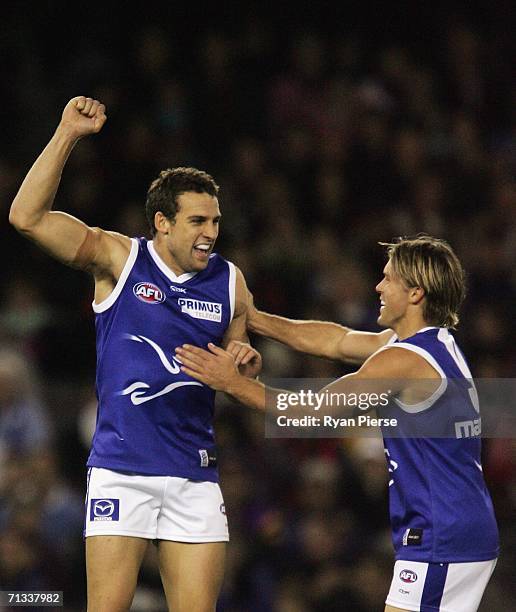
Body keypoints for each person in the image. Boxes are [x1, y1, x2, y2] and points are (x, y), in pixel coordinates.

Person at [9, 96, 261, 612]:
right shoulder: (118, 259)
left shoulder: (230, 282)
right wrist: (66, 135)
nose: (211, 232)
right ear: (162, 223)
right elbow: (26, 217)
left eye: (215, 220)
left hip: (195, 473)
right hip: (122, 470)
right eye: (197, 221)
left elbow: (240, 342)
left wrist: (241, 355)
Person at [176, 235, 499, 612]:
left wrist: (232, 383)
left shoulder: (403, 362)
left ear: (416, 294)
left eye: (389, 278)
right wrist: (258, 320)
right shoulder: (433, 345)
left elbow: (312, 411)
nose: (378, 286)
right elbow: (337, 340)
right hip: (459, 527)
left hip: (442, 535)